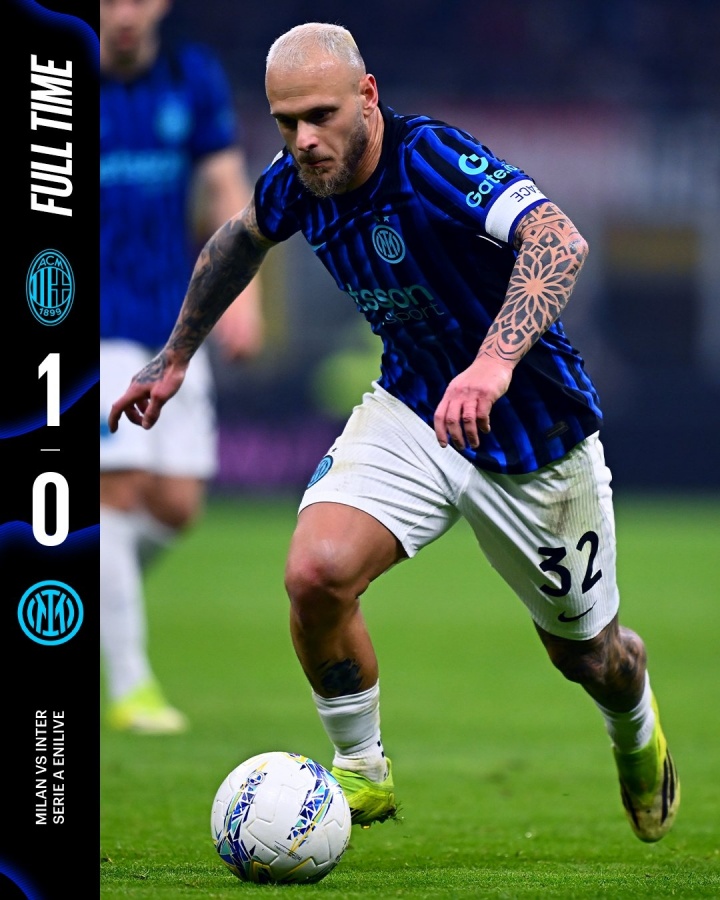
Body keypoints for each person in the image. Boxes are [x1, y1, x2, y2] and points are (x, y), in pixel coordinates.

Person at [107, 21, 680, 841]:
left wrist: (492, 363)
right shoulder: (296, 181)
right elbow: (237, 240)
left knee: (589, 657)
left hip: (535, 438)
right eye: (286, 122)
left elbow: (558, 238)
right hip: (413, 409)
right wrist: (174, 356)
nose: (305, 140)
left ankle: (636, 727)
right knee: (315, 574)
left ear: (368, 96)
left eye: (322, 115)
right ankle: (361, 772)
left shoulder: (430, 159)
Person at [99, 0, 264, 734]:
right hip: (89, 320)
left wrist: (244, 299)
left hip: (173, 323)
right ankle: (131, 686)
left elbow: (227, 187)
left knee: (175, 505)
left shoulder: (190, 77)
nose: (123, 14)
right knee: (115, 491)